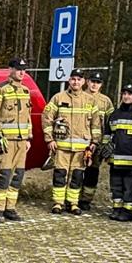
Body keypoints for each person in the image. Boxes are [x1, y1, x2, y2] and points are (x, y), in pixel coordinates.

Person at [43, 71, 101, 215]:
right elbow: (46, 118)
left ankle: (73, 203)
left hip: (82, 148)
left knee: (77, 176)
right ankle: (58, 203)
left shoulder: (90, 100)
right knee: (60, 174)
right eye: (73, 79)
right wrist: (49, 139)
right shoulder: (58, 97)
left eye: (78, 79)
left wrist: (94, 141)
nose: (75, 82)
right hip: (61, 146)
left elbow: (96, 123)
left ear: (84, 82)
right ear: (69, 80)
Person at [0, 61, 32, 221]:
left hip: (22, 141)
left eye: (24, 70)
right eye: (18, 69)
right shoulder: (0, 89)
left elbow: (28, 117)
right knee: (3, 174)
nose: (21, 72)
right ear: (11, 70)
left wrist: (29, 137)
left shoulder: (26, 91)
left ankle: (10, 208)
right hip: (5, 141)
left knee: (17, 176)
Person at [104, 85, 132, 222]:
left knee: (130, 186)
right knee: (116, 185)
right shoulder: (115, 114)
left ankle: (129, 211)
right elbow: (108, 133)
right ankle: (117, 208)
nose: (126, 96)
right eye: (124, 93)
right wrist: (106, 147)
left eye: (130, 94)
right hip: (115, 158)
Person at [77, 72, 116, 211]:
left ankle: (86, 199)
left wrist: (108, 141)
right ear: (87, 82)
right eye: (92, 81)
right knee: (76, 170)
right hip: (79, 139)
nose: (94, 85)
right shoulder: (79, 96)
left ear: (101, 85)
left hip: (96, 142)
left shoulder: (106, 101)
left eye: (98, 82)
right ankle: (73, 198)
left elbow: (111, 122)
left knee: (92, 171)